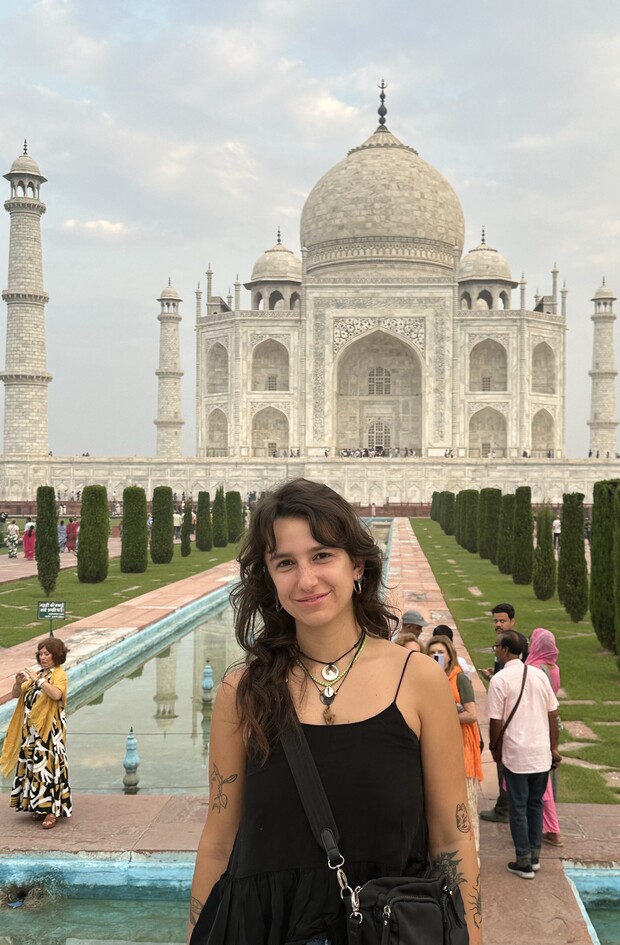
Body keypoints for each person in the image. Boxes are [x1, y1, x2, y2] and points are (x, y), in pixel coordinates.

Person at [188, 479, 480, 944]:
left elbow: (452, 838)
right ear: (269, 577)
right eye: (285, 563)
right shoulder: (242, 692)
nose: (306, 580)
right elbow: (219, 841)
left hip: (387, 931)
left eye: (322, 555)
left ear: (357, 565)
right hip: (263, 928)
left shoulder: (417, 680)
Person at [487, 631, 561, 879]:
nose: (495, 649)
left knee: (518, 806)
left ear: (506, 650)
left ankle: (523, 861)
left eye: (496, 646)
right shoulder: (539, 675)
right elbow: (553, 714)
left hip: (517, 753)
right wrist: (554, 748)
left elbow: (495, 721)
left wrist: (494, 748)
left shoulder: (500, 680)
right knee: (535, 804)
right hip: (541, 753)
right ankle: (535, 856)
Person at [0, 638, 72, 830]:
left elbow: (56, 694)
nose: (43, 657)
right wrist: (18, 683)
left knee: (49, 769)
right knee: (33, 767)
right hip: (30, 732)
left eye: (47, 654)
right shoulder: (37, 674)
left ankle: (51, 811)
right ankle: (39, 806)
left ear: (56, 656)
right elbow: (17, 694)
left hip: (49, 731)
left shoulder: (59, 675)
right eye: (41, 654)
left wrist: (39, 680)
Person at [428, 636, 483, 854]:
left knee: (466, 804)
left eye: (440, 652)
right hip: (439, 746)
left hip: (462, 746)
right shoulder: (431, 679)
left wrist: (443, 715)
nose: (436, 656)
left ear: (449, 655)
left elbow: (471, 714)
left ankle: (473, 854)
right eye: (432, 653)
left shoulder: (459, 679)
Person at [525, 628, 563, 846]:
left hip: (535, 726)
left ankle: (553, 830)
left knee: (541, 782)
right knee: (542, 778)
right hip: (548, 726)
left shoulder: (534, 669)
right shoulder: (553, 668)